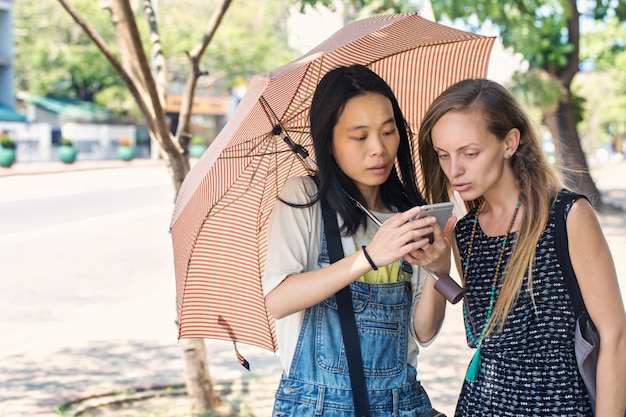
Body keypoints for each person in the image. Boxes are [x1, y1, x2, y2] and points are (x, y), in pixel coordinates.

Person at [417, 78, 626, 416]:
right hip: (481, 405)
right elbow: (450, 333)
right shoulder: (466, 232)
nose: (454, 170)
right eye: (443, 155)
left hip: (559, 406)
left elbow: (615, 336)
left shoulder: (568, 216)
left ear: (509, 143)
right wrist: (436, 269)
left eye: (470, 153)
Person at [262, 64, 455, 416]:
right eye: (359, 136)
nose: (379, 149)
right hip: (317, 406)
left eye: (388, 131)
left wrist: (440, 271)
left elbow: (423, 333)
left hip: (401, 402)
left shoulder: (409, 213)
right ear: (329, 142)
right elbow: (277, 300)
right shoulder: (304, 199)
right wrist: (369, 257)